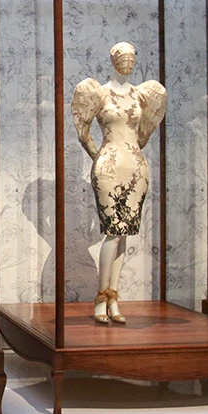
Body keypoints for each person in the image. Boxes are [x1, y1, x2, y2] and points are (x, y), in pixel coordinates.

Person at [72, 42, 167, 325]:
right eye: (123, 57)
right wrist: (99, 157)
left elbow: (144, 133)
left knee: (124, 234)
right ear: (113, 60)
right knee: (113, 232)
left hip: (136, 167)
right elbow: (83, 134)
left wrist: (131, 153)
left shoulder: (143, 94)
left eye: (131, 57)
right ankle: (101, 298)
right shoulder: (98, 93)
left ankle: (113, 298)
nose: (128, 62)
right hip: (108, 168)